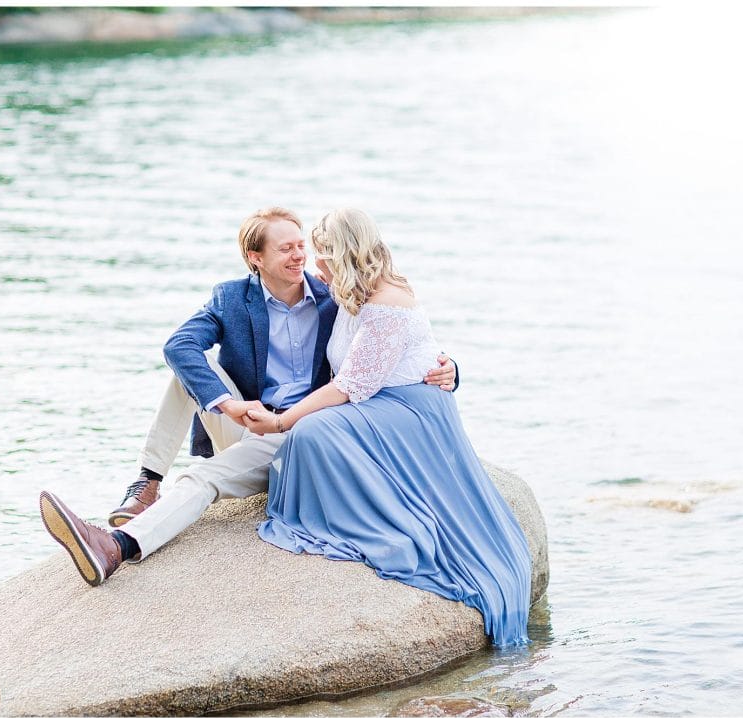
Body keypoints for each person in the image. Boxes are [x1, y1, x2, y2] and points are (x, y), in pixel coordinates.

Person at [38, 207, 457, 587]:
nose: (300, 257)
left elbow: (398, 341)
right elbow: (179, 346)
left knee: (203, 479)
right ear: (256, 259)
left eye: (301, 247)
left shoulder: (336, 296)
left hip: (300, 434)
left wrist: (449, 371)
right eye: (286, 249)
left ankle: (116, 547)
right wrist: (229, 405)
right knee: (188, 371)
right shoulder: (232, 298)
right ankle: (148, 482)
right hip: (245, 422)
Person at [242, 208, 531, 646]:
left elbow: (352, 384)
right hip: (381, 402)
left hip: (409, 412)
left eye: (324, 255)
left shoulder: (387, 301)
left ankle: (369, 523)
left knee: (311, 432)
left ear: (346, 255)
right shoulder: (348, 289)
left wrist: (281, 419)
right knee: (314, 432)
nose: (316, 265)